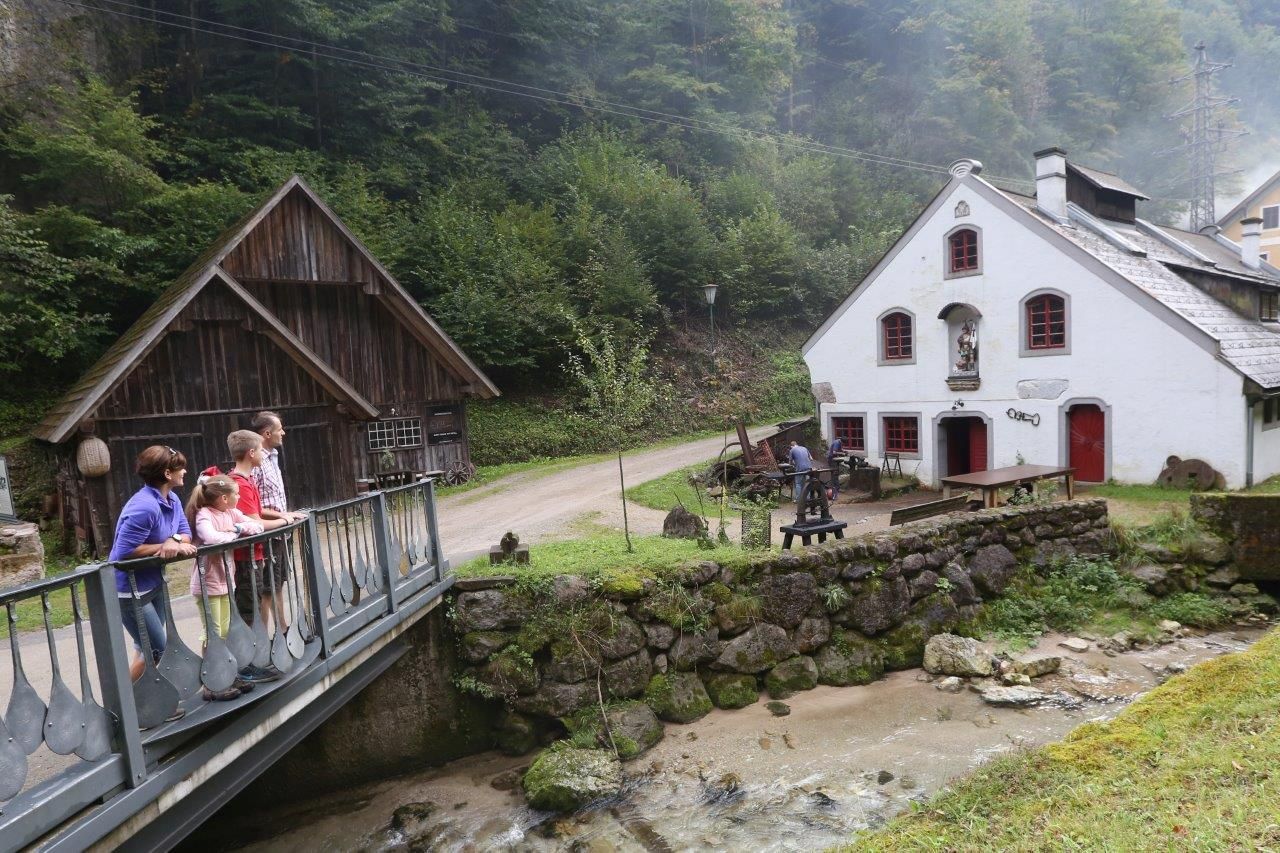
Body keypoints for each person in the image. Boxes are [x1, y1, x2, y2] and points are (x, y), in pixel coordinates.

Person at [109, 446, 197, 690]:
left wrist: (174, 541)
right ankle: (122, 705)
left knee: (145, 650)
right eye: (181, 467)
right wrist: (164, 545)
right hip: (130, 590)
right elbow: (123, 552)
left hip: (154, 583)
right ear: (168, 473)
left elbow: (185, 534)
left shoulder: (171, 499)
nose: (185, 471)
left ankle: (138, 703)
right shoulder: (144, 507)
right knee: (158, 651)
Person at [186, 471, 263, 701]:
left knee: (226, 630)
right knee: (214, 632)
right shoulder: (204, 515)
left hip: (225, 583)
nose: (239, 497)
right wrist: (231, 533)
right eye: (236, 494)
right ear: (224, 498)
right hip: (207, 583)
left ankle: (227, 674)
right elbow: (211, 538)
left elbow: (256, 526)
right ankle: (212, 682)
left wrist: (237, 529)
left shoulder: (231, 513)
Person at [226, 430, 291, 682]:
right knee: (247, 611)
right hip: (245, 558)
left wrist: (282, 516)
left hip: (256, 555)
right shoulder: (239, 483)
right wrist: (282, 521)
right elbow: (254, 522)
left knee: (253, 605)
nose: (263, 455)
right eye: (260, 451)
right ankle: (244, 668)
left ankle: (255, 660)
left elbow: (257, 513)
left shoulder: (246, 480)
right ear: (251, 453)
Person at [826, 436, 845, 500]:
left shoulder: (839, 442)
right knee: (835, 473)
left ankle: (835, 487)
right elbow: (834, 452)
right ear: (841, 441)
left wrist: (844, 451)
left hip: (834, 459)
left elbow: (840, 449)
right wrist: (842, 453)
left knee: (835, 474)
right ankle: (835, 488)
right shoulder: (837, 443)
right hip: (831, 459)